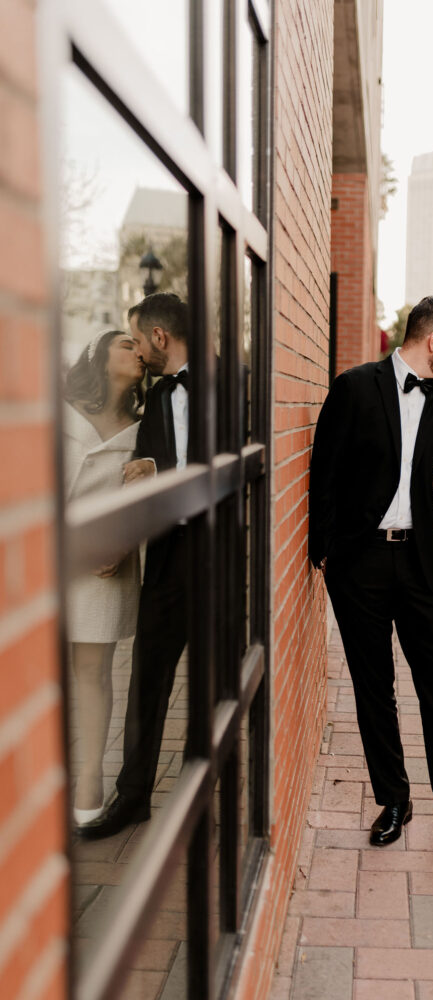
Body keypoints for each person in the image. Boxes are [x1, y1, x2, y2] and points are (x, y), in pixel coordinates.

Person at [309, 295, 433, 851]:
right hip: (359, 564)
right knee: (375, 688)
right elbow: (325, 469)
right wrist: (322, 551)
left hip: (421, 562)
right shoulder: (354, 387)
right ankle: (393, 800)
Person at [79, 292, 191, 840]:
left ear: (159, 337)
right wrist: (120, 546)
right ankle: (132, 798)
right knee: (148, 680)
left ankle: (200, 798)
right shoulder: (159, 401)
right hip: (166, 559)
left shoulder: (237, 384)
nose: (140, 352)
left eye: (138, 338)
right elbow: (142, 481)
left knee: (219, 685)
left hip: (221, 559)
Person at [64, 329, 144, 824]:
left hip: (103, 571)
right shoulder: (60, 414)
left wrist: (124, 541)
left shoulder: (144, 428)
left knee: (91, 674)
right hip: (46, 558)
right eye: (126, 344)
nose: (138, 351)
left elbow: (148, 494)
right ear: (98, 356)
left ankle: (89, 774)